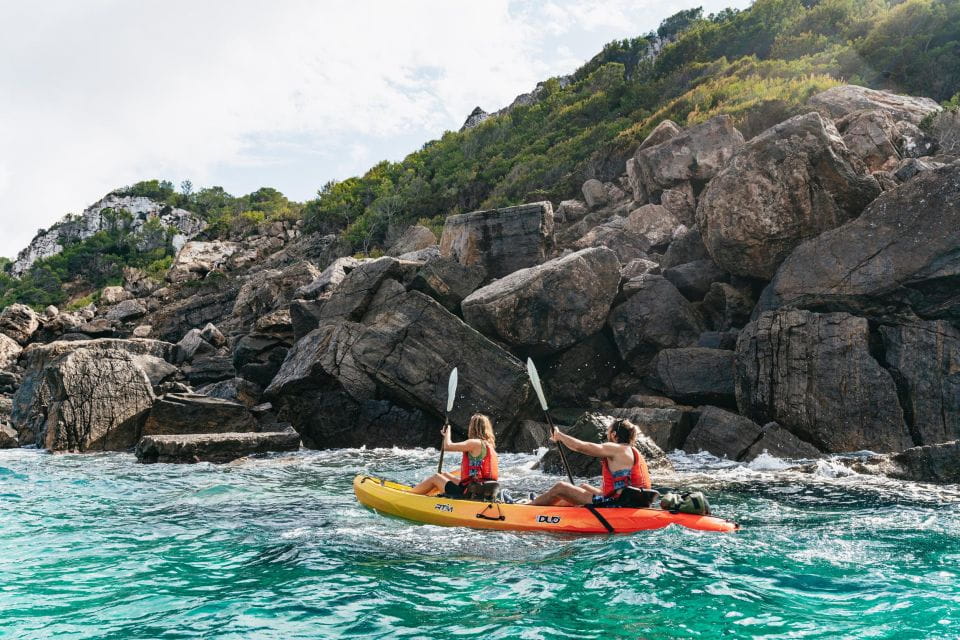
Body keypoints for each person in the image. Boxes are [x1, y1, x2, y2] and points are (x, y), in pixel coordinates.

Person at [529, 418, 650, 507]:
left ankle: (528, 508)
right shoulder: (635, 452)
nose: (607, 435)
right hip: (633, 501)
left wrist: (559, 436)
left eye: (608, 432)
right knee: (583, 487)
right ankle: (550, 508)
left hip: (617, 503)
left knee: (560, 488)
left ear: (614, 435)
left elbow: (580, 447)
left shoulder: (616, 448)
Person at [409, 413, 499, 497]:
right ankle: (427, 495)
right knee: (443, 475)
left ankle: (407, 496)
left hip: (469, 493)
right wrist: (446, 475)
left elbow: (447, 446)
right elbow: (474, 470)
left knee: (436, 478)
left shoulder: (474, 443)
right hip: (480, 490)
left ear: (473, 427)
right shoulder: (489, 447)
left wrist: (447, 432)